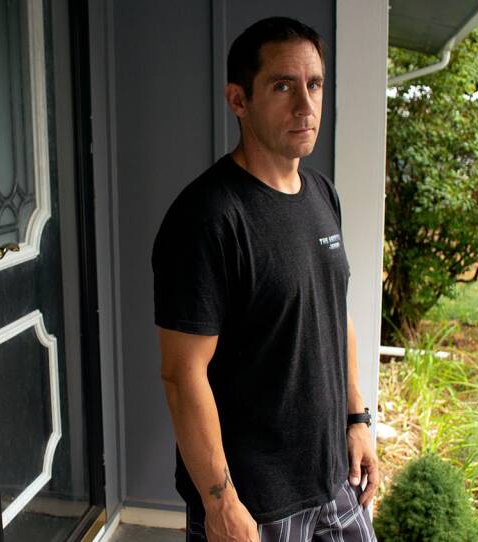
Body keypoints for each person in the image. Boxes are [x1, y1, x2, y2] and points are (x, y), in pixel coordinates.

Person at [152, 16, 379, 542]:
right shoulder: (208, 217)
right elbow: (183, 374)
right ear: (238, 99)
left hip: (333, 480)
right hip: (255, 502)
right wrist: (220, 503)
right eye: (283, 86)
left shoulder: (322, 194)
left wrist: (357, 419)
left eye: (314, 84)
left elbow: (332, 311)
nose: (306, 105)